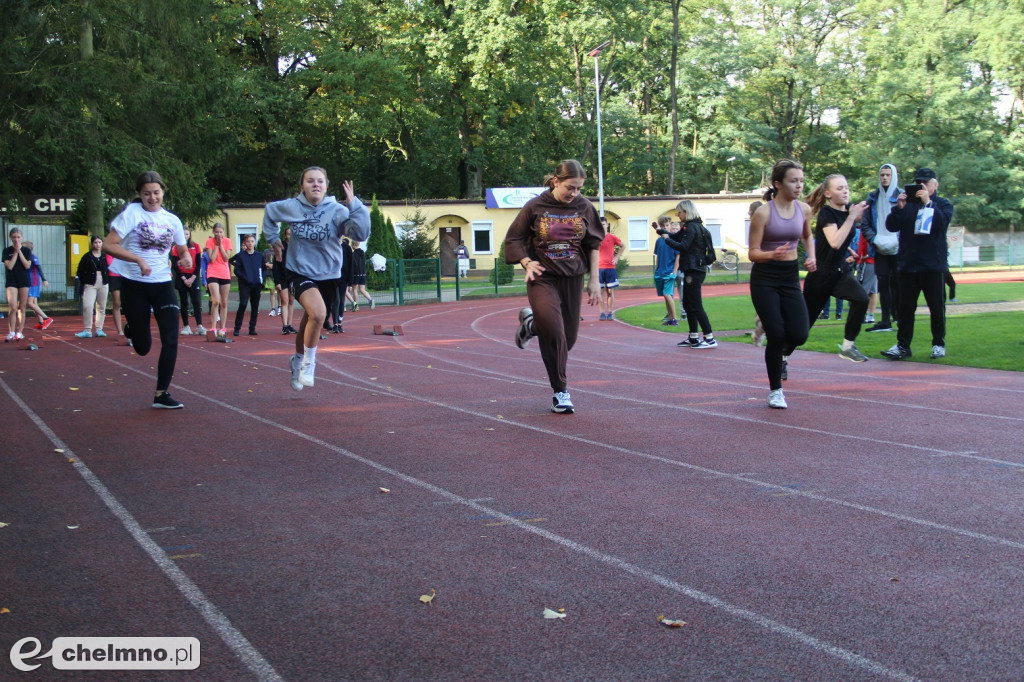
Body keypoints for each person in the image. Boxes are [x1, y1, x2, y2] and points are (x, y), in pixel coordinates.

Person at [505, 159, 603, 414]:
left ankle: (530, 326)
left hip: (572, 277)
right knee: (555, 332)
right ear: (556, 182)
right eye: (570, 187)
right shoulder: (535, 206)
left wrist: (594, 280)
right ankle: (561, 391)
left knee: (567, 340)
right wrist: (526, 262)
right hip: (542, 277)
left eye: (579, 188)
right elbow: (513, 238)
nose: (575, 194)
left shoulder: (584, 206)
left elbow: (594, 243)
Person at [263, 166, 370, 391]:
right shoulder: (292, 207)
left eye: (320, 181)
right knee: (319, 313)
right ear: (302, 186)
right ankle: (309, 363)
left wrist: (354, 205)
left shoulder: (337, 211)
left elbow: (360, 234)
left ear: (326, 186)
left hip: (329, 273)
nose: (315, 185)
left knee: (311, 320)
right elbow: (270, 212)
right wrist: (273, 239)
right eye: (310, 181)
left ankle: (297, 360)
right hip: (299, 270)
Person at [102, 170, 192, 409]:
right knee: (143, 348)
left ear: (163, 192)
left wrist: (185, 259)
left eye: (156, 193)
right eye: (146, 194)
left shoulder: (172, 220)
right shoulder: (131, 214)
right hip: (134, 285)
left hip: (162, 284)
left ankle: (162, 394)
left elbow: (182, 249)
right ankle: (133, 327)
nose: (152, 198)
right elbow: (108, 245)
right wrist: (137, 260)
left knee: (171, 338)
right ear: (139, 195)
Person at [747, 160, 817, 409]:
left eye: (801, 181)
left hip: (789, 277)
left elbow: (807, 235)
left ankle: (770, 330)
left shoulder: (804, 210)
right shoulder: (763, 213)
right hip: (765, 278)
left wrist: (811, 256)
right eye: (793, 181)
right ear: (778, 184)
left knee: (800, 333)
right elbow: (753, 253)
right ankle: (776, 390)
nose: (799, 186)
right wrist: (772, 255)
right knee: (777, 334)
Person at [880, 168, 954, 360]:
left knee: (937, 308)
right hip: (908, 266)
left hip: (933, 267)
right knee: (905, 309)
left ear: (934, 185)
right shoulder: (908, 206)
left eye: (925, 183)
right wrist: (899, 207)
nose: (921, 187)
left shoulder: (942, 204)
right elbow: (891, 226)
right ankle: (903, 345)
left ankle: (938, 343)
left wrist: (927, 202)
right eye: (918, 183)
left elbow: (941, 223)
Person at [802, 174, 870, 363]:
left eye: (846, 187)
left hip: (839, 272)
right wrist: (852, 218)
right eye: (839, 188)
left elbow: (842, 239)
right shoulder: (827, 213)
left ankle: (848, 346)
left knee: (861, 299)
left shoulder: (848, 211)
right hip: (820, 275)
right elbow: (833, 242)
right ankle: (782, 356)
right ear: (828, 194)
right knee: (802, 329)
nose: (845, 191)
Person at [661, 199, 717, 348]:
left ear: (686, 212)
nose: (678, 215)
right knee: (687, 303)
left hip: (695, 269)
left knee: (695, 304)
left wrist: (666, 239)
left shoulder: (691, 227)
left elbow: (683, 245)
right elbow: (677, 236)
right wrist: (663, 232)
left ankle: (709, 337)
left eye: (679, 212)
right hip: (693, 268)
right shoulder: (693, 226)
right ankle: (693, 336)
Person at [861, 163, 901, 332]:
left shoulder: (902, 197)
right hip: (879, 246)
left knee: (898, 285)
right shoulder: (873, 198)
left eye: (888, 175)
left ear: (893, 176)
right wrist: (875, 239)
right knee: (883, 284)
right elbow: (865, 223)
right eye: (882, 175)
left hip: (898, 247)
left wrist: (900, 240)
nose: (884, 178)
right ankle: (885, 321)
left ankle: (899, 318)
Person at [74, 235, 110, 338]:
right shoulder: (87, 256)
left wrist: (107, 280)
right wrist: (84, 281)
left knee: (101, 306)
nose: (97, 244)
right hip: (90, 283)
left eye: (99, 242)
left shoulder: (105, 256)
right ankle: (87, 329)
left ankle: (99, 329)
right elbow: (80, 271)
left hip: (103, 282)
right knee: (88, 306)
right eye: (95, 242)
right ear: (92, 244)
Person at [228, 233, 264, 336]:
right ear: (244, 243)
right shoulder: (241, 256)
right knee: (243, 304)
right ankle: (237, 328)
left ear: (255, 242)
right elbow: (236, 270)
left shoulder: (259, 256)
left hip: (256, 284)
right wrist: (244, 277)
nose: (250, 243)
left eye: (252, 241)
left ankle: (252, 328)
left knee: (255, 306)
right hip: (245, 284)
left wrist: (261, 279)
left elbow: (263, 269)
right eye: (248, 241)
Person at [171, 227, 205, 335]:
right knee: (184, 302)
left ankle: (199, 325)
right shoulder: (176, 248)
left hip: (193, 277)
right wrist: (184, 278)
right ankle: (186, 326)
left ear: (190, 235)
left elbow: (198, 263)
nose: (185, 236)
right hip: (182, 277)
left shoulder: (196, 246)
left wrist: (193, 277)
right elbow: (175, 265)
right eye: (183, 234)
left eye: (187, 234)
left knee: (196, 302)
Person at [204, 222, 233, 338]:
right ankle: (213, 327)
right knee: (216, 301)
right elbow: (212, 258)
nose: (219, 234)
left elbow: (227, 258)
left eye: (220, 232)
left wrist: (221, 244)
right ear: (213, 232)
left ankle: (223, 327)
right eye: (216, 232)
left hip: (225, 273)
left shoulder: (227, 241)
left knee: (224, 302)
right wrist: (216, 245)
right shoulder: (209, 242)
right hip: (213, 272)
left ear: (223, 232)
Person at [4, 227, 31, 342]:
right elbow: (9, 266)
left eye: (18, 237)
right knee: (13, 306)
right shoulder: (6, 251)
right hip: (12, 281)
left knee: (22, 307)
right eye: (14, 237)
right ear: (10, 237)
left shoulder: (26, 251)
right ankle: (11, 331)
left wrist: (19, 251)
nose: (16, 239)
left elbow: (27, 265)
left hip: (24, 281)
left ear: (22, 238)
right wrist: (15, 252)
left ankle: (20, 332)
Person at [652, 216, 680, 326]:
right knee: (665, 295)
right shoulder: (658, 241)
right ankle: (670, 317)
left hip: (669, 272)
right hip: (660, 272)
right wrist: (657, 270)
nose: (665, 227)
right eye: (663, 226)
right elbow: (658, 256)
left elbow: (678, 257)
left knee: (667, 294)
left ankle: (675, 319)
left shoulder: (673, 240)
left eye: (667, 225)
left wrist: (674, 272)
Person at [22, 241, 53, 330]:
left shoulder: (33, 257)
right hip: (28, 282)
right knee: (34, 303)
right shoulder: (25, 258)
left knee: (30, 303)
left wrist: (44, 279)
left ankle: (46, 318)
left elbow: (39, 268)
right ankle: (41, 322)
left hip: (33, 282)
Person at [597, 217, 623, 320]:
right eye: (600, 224)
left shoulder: (612, 237)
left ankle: (610, 312)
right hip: (599, 268)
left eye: (603, 224)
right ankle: (602, 312)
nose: (602, 226)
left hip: (610, 268)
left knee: (610, 291)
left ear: (607, 225)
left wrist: (616, 257)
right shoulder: (596, 238)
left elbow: (623, 246)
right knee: (600, 292)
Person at [273, 227, 297, 334]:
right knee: (285, 301)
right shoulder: (280, 247)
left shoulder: (296, 247)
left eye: (291, 234)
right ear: (285, 235)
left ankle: (290, 324)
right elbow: (276, 266)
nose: (290, 236)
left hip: (293, 278)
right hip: (282, 278)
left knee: (291, 301)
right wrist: (277, 281)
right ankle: (285, 325)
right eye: (288, 234)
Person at [348, 244, 375, 310]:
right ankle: (370, 299)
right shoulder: (362, 253)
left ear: (354, 245)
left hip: (356, 273)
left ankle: (356, 306)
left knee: (355, 289)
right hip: (363, 273)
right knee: (362, 289)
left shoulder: (353, 254)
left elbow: (353, 264)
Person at [105, 252, 125, 336]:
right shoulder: (111, 249)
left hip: (126, 276)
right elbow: (111, 264)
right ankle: (119, 330)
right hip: (114, 276)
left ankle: (129, 329)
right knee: (117, 303)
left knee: (128, 303)